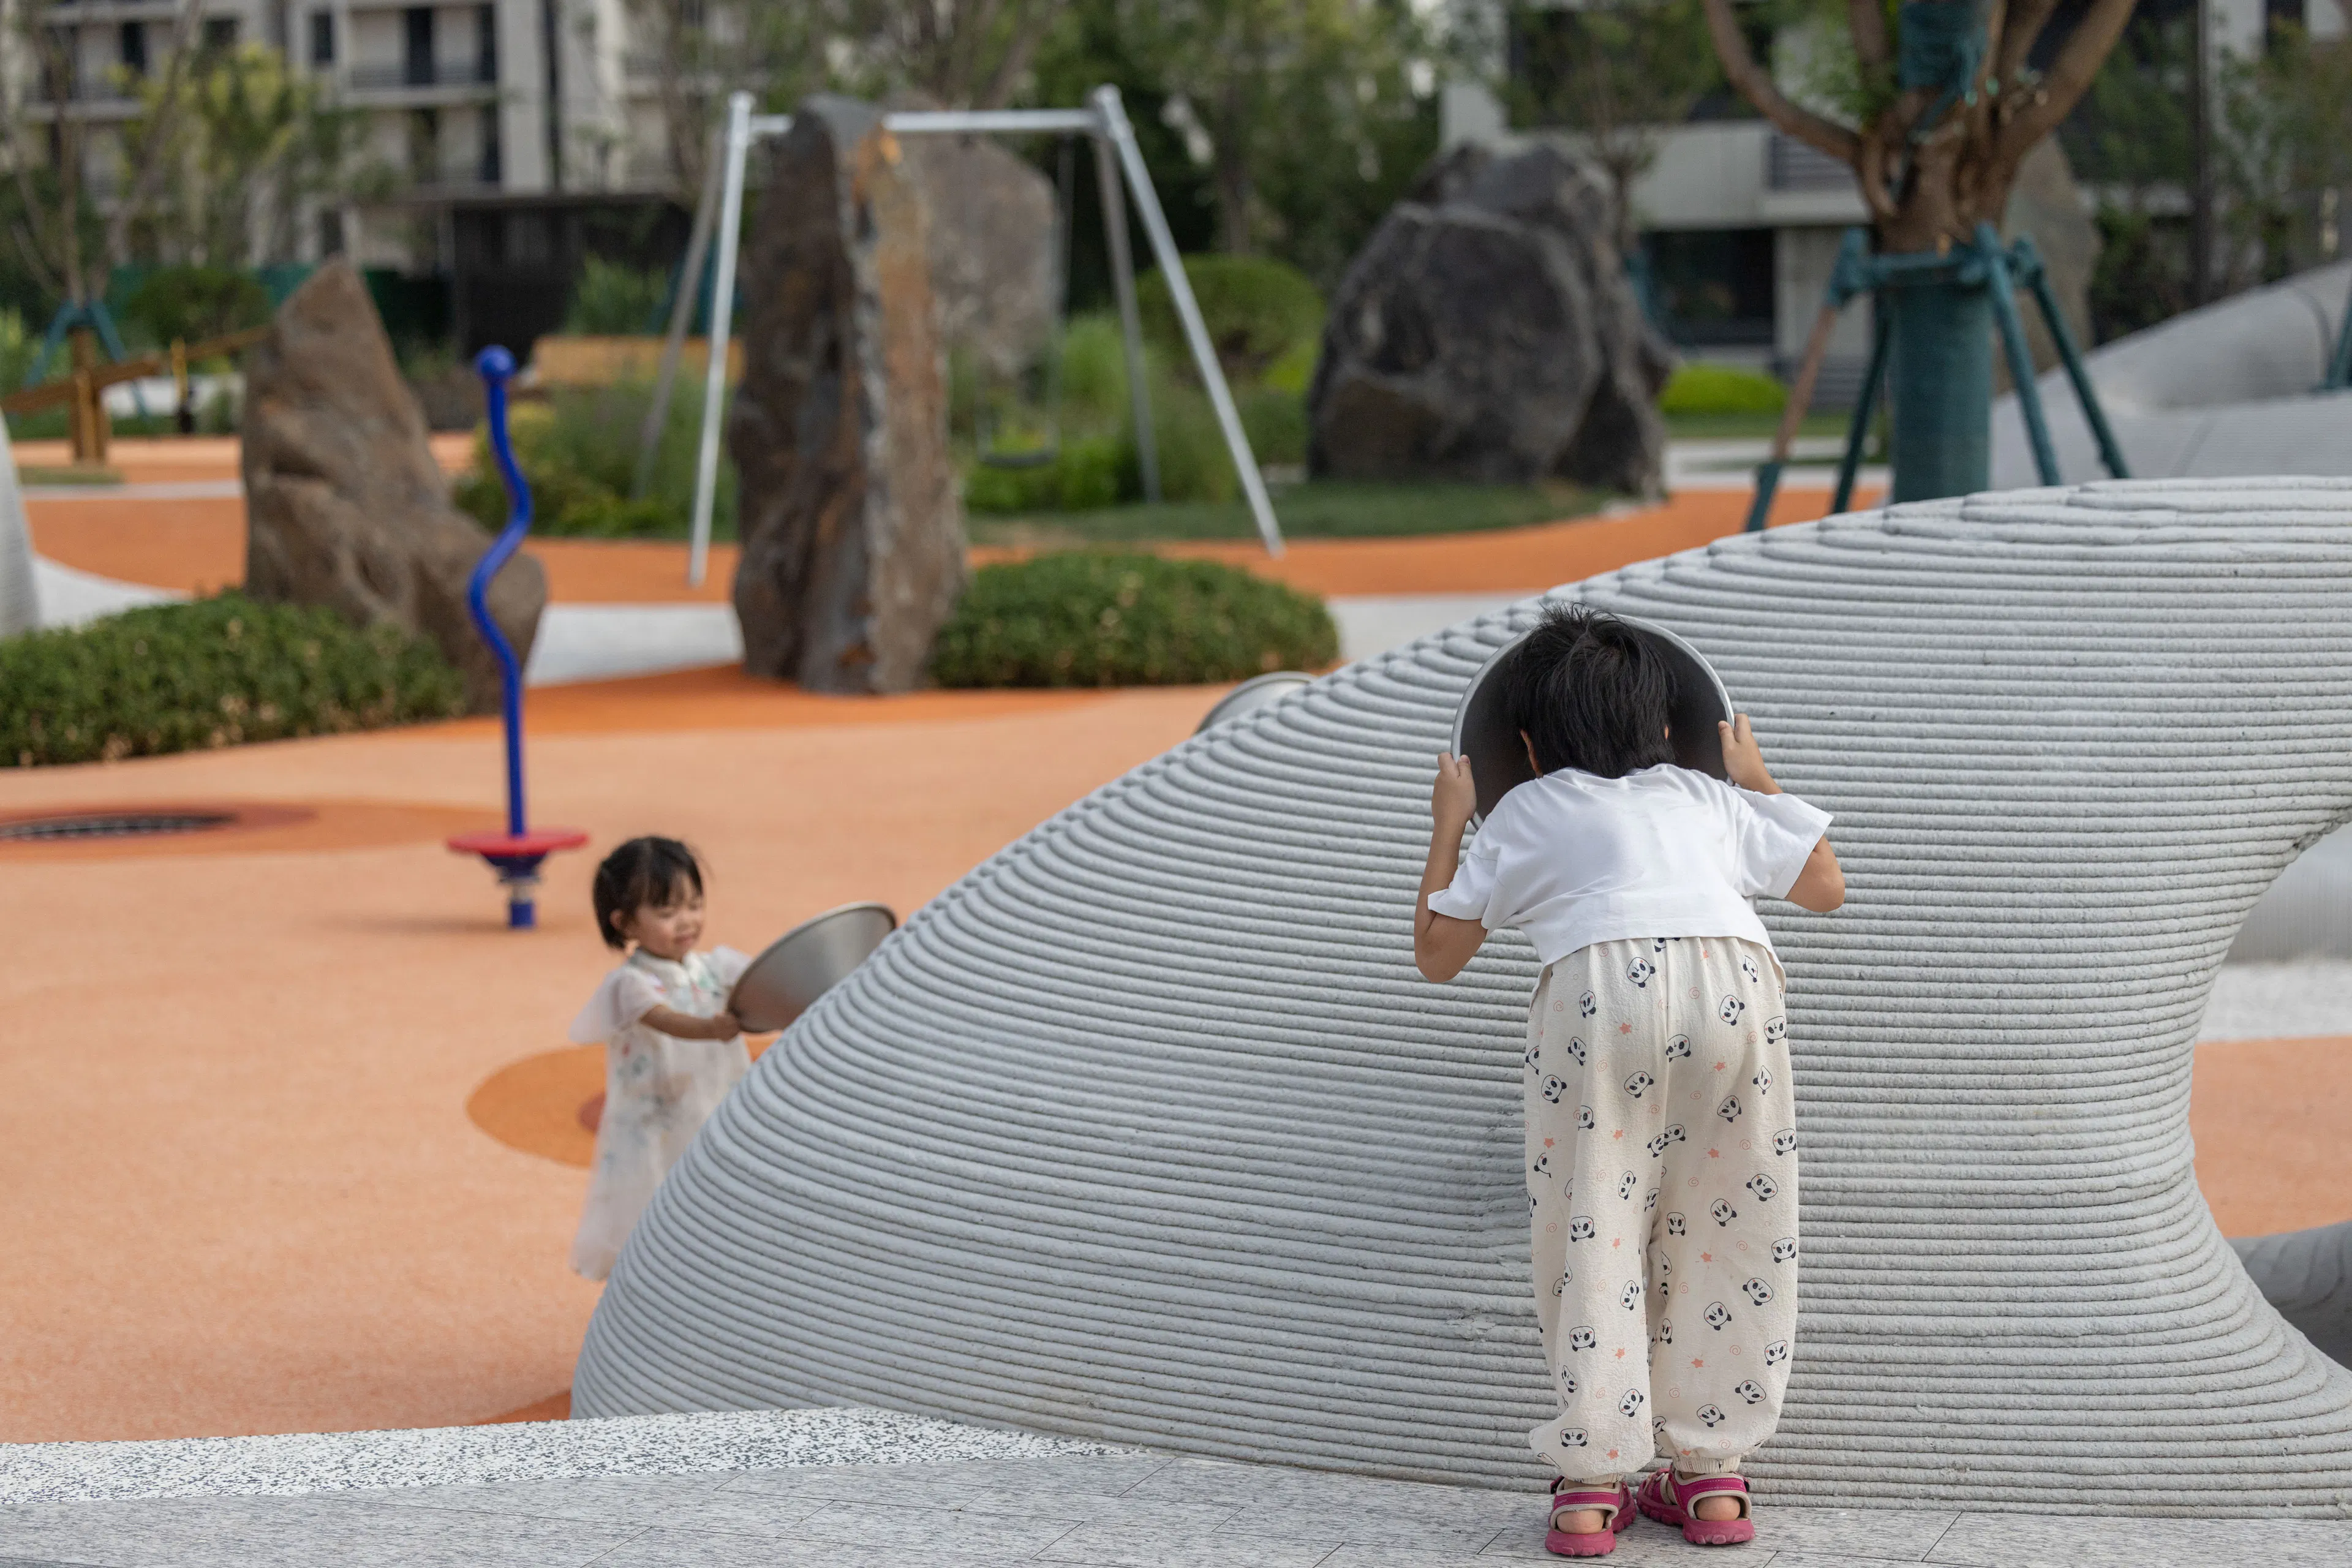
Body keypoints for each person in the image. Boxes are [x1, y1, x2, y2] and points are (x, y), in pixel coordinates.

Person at [1414, 605, 1844, 1556]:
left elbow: (1438, 957)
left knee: (1594, 1220)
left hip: (1599, 997)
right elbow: (1824, 886)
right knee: (1733, 1217)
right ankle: (1712, 1476)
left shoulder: (1523, 809)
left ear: (1523, 744)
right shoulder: (1704, 799)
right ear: (1666, 729)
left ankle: (1593, 1483)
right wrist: (1753, 776)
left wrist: (1450, 824)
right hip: (1735, 984)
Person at [568, 837, 751, 1281]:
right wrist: (711, 1028)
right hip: (655, 1122)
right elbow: (666, 1020)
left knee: (717, 1197)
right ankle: (654, 1294)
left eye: (694, 904)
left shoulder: (715, 967)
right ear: (626, 924)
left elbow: (768, 978)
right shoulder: (631, 984)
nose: (686, 921)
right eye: (667, 913)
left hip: (711, 1108)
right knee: (654, 1202)